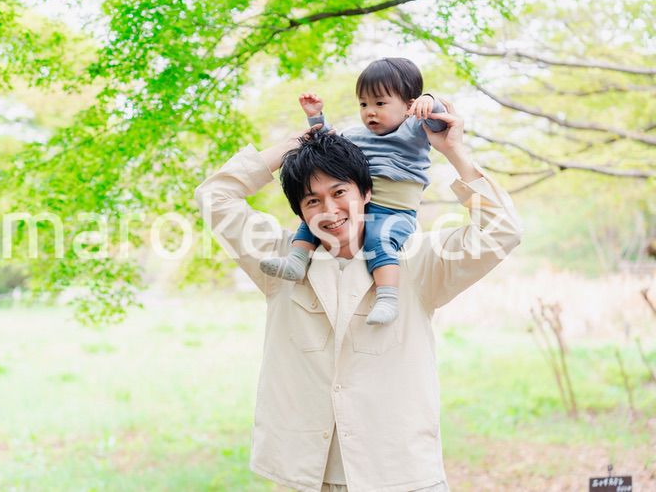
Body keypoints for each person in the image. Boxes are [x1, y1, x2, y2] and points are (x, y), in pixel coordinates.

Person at [195, 101, 522, 492]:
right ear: (300, 212)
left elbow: (502, 232)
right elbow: (215, 197)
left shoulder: (416, 262)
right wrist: (297, 145)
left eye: (339, 192)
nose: (329, 210)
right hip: (305, 475)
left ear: (366, 192)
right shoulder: (281, 261)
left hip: (399, 474)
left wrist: (454, 151)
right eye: (312, 200)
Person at [260, 57, 447, 325]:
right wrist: (315, 116)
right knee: (311, 219)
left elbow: (441, 121)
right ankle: (297, 260)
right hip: (360, 204)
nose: (370, 111)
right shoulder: (356, 135)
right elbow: (327, 146)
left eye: (380, 103)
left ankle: (387, 298)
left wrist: (430, 101)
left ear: (409, 105)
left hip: (394, 210)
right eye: (364, 104)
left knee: (378, 240)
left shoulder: (415, 129)